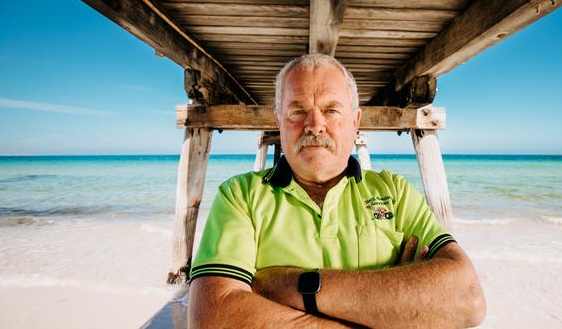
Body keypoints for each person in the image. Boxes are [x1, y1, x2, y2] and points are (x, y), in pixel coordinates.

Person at [188, 54, 485, 328]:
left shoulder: (396, 191)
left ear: (355, 123)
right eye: (298, 110)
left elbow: (466, 297)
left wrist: (289, 285)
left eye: (331, 110)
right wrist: (395, 302)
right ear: (278, 120)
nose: (314, 126)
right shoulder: (241, 195)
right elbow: (212, 317)